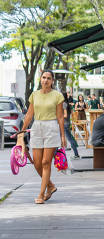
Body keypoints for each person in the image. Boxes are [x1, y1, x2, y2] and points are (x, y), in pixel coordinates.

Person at [19, 70, 66, 204]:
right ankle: (50, 185)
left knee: (46, 162)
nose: (46, 80)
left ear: (52, 81)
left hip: (51, 127)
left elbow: (60, 117)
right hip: (37, 128)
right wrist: (21, 132)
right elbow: (29, 115)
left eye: (49, 78)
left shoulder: (57, 96)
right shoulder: (34, 95)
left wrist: (63, 136)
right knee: (37, 163)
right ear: (40, 79)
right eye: (44, 77)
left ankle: (41, 194)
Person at [62, 91, 81, 160]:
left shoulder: (64, 104)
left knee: (69, 138)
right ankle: (76, 152)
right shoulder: (67, 104)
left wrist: (59, 116)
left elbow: (65, 115)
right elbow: (72, 113)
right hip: (67, 123)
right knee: (70, 138)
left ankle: (76, 154)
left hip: (65, 123)